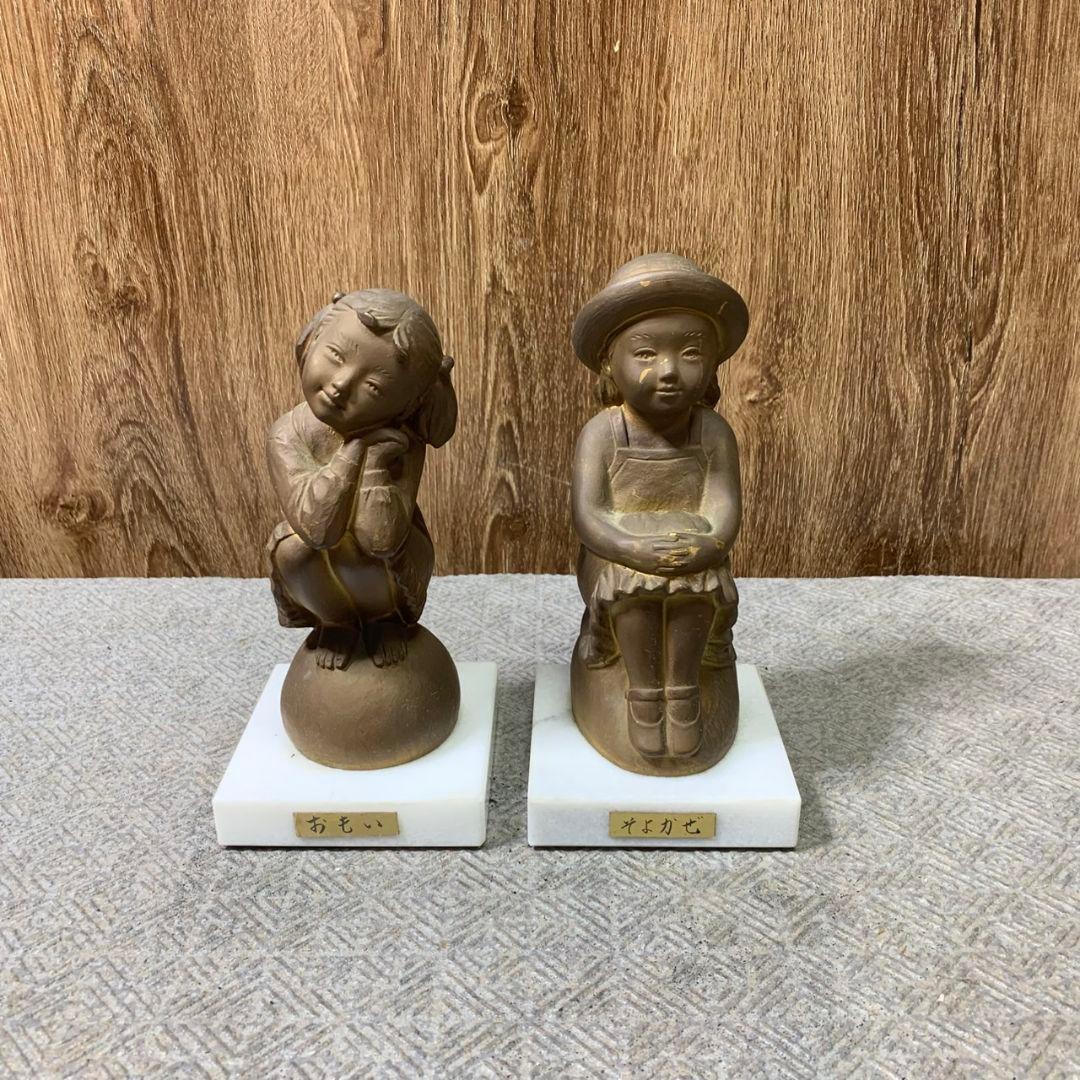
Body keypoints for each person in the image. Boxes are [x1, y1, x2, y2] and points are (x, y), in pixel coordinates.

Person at [571, 254, 747, 758]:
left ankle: (684, 688)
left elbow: (724, 508)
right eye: (645, 353)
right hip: (617, 556)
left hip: (692, 551)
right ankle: (645, 693)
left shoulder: (712, 432)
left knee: (693, 590)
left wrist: (709, 545)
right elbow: (589, 516)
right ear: (610, 362)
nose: (668, 371)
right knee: (637, 593)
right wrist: (632, 549)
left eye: (690, 353)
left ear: (712, 364)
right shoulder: (603, 433)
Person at [266, 289, 456, 671]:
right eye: (336, 356)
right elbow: (317, 528)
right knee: (293, 550)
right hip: (319, 554)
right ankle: (335, 622)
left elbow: (381, 538)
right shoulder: (287, 433)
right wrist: (356, 451)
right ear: (313, 339)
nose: (341, 384)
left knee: (373, 553)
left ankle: (385, 622)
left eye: (373, 388)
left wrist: (375, 467)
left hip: (388, 566)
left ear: (407, 404)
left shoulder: (404, 444)